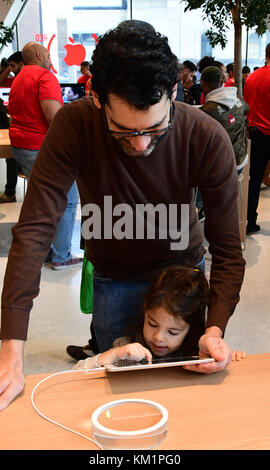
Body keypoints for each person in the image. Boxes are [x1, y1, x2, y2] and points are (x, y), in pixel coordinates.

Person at [0, 22, 245, 411]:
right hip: (113, 277)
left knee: (186, 393)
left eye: (155, 128)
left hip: (182, 277)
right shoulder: (75, 125)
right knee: (118, 396)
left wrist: (214, 327)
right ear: (96, 97)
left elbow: (229, 251)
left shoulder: (205, 136)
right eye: (122, 130)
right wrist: (11, 350)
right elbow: (34, 230)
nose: (141, 143)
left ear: (175, 93)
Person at [73, 266, 246, 371]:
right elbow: (76, 373)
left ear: (190, 329)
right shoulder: (125, 349)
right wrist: (111, 355)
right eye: (152, 323)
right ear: (144, 313)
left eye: (172, 331)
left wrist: (228, 358)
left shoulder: (199, 355)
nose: (158, 337)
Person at [7, 42, 82, 269]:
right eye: (49, 54)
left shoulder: (19, 76)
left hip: (21, 146)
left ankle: (45, 251)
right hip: (41, 148)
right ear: (40, 54)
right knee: (69, 199)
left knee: (44, 200)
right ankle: (62, 256)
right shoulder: (44, 76)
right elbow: (54, 118)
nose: (51, 58)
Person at [200, 66, 248, 173]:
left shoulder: (205, 112)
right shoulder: (237, 100)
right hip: (241, 159)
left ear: (202, 83)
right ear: (222, 82)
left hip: (222, 167)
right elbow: (246, 109)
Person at [243, 43, 270, 234]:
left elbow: (247, 106)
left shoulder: (252, 77)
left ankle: (250, 222)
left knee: (255, 178)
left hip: (256, 134)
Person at [0, 51, 24, 203]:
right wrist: (9, 69)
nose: (11, 68)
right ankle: (10, 191)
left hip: (24, 127)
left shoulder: (25, 78)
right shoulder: (16, 79)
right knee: (11, 159)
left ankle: (10, 192)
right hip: (18, 124)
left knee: (11, 158)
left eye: (13, 65)